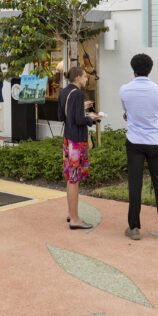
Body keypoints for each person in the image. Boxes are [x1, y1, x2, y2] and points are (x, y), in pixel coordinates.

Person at [120, 53, 158, 241]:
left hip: (134, 142)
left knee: (135, 184)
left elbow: (127, 112)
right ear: (150, 69)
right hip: (154, 141)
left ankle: (134, 228)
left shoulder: (124, 89)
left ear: (133, 69)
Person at [60, 66, 102, 229]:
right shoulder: (77, 93)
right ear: (77, 77)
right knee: (74, 179)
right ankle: (76, 219)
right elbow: (78, 120)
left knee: (71, 177)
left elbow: (61, 116)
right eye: (85, 77)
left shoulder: (64, 91)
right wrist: (92, 118)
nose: (86, 79)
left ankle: (72, 214)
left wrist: (81, 107)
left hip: (68, 138)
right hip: (77, 139)